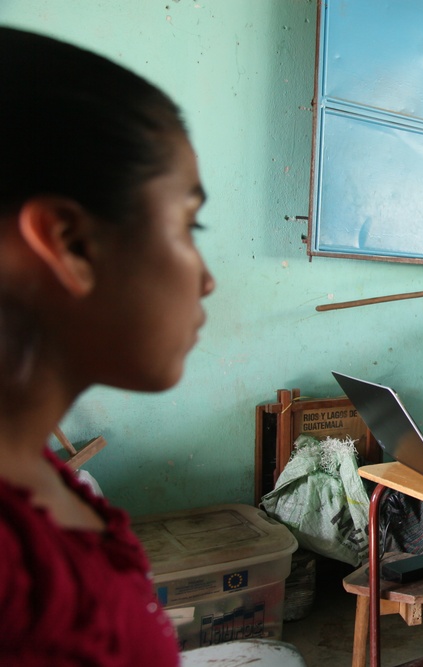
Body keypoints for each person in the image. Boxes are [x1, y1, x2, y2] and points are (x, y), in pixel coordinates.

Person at [0, 27, 214, 666]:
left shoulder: (35, 476)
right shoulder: (16, 577)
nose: (206, 278)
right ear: (69, 244)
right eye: (188, 224)